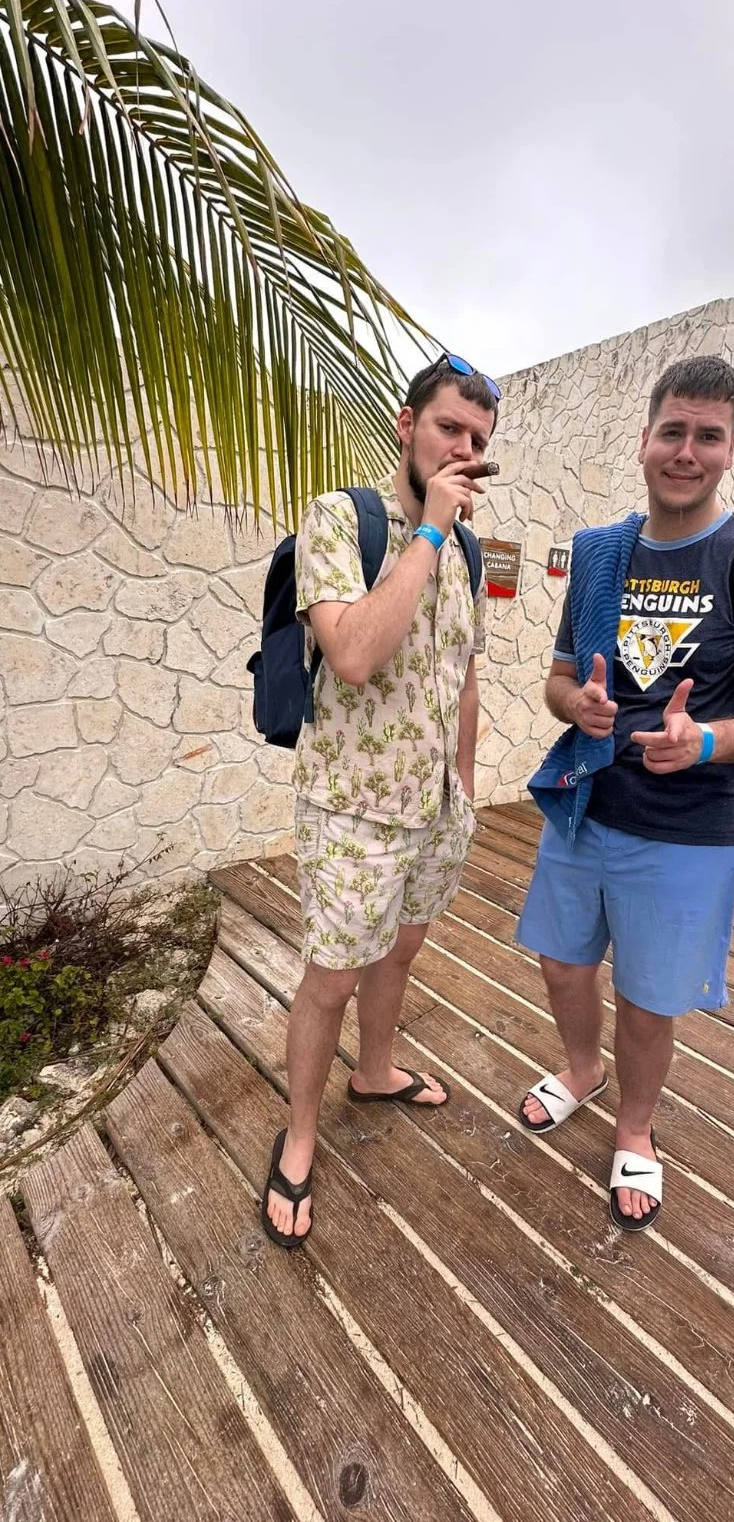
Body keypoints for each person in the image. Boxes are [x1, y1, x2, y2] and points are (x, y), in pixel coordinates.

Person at [516, 355, 734, 1231]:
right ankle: (583, 1069)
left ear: (731, 449)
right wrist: (576, 705)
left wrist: (708, 742)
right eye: (674, 431)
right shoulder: (598, 555)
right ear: (646, 439)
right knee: (563, 964)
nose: (687, 451)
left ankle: (636, 1130)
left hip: (690, 827)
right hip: (585, 804)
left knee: (650, 999)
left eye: (708, 436)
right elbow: (560, 679)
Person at [262, 354, 501, 1248]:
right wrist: (428, 529)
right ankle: (298, 1136)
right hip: (352, 809)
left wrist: (464, 789)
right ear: (407, 425)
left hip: (436, 810)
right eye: (448, 428)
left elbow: (463, 675)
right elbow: (356, 654)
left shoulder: (468, 549)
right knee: (332, 978)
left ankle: (376, 1072)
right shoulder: (340, 518)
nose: (463, 449)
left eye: (477, 437)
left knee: (399, 955)